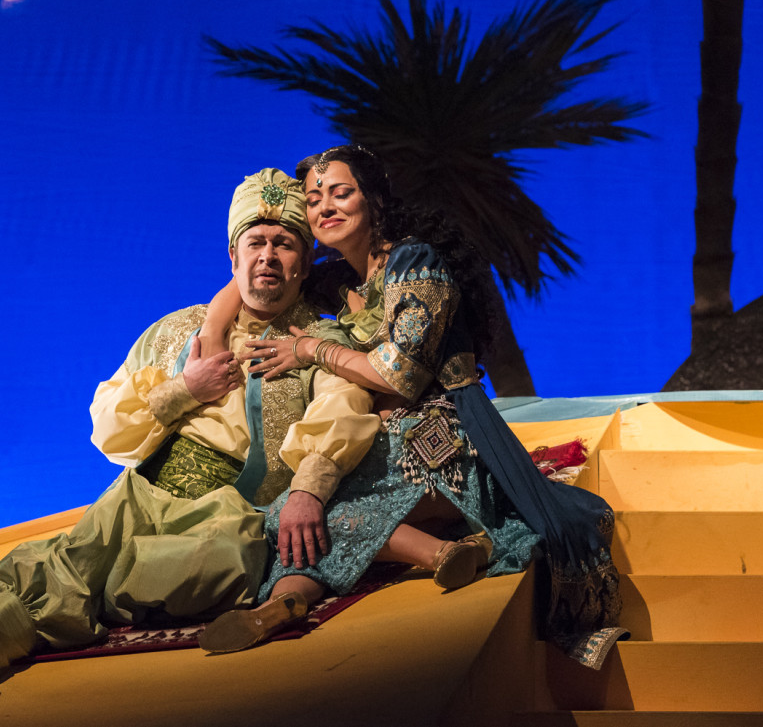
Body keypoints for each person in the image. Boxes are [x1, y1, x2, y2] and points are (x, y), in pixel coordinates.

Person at [0, 168, 379, 700]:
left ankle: (86, 600)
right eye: (255, 242)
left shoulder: (317, 340)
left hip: (229, 507)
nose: (268, 255)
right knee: (70, 558)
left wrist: (307, 490)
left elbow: (344, 408)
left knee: (209, 562)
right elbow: (108, 422)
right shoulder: (177, 330)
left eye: (284, 244)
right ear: (233, 258)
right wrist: (184, 388)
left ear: (304, 263)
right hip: (140, 492)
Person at [197, 145, 626, 669]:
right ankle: (283, 605)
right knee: (293, 512)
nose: (325, 208)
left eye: (340, 193)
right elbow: (252, 274)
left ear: (373, 199)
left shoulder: (416, 262)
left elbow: (400, 373)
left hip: (444, 434)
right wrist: (214, 328)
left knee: (315, 509)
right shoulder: (340, 282)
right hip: (375, 437)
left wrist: (311, 349)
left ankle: (434, 553)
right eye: (313, 200)